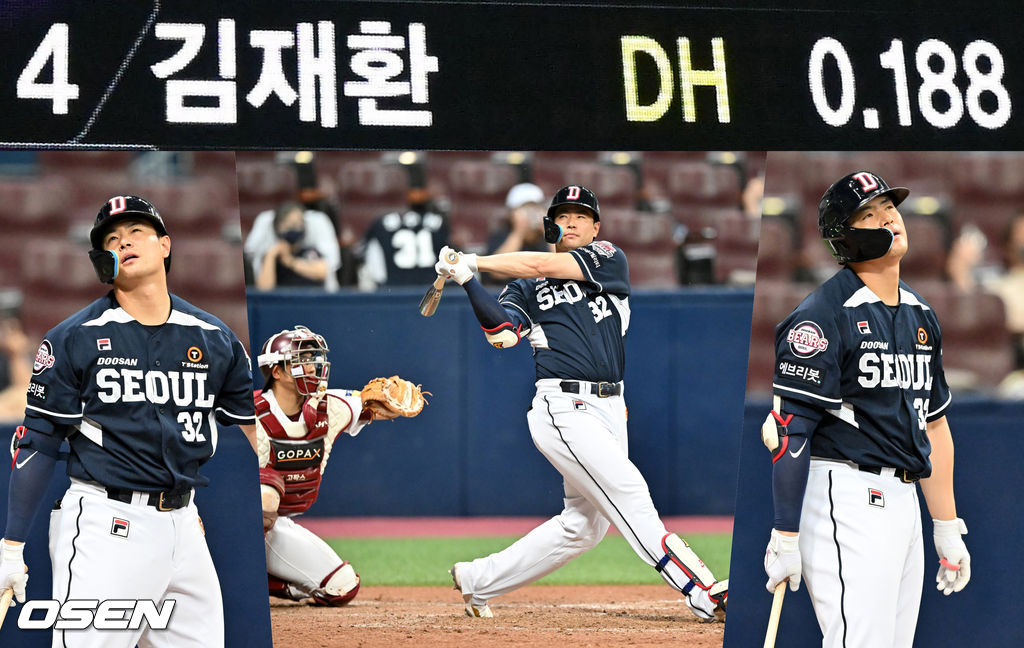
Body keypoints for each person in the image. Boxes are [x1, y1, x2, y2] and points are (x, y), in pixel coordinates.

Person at [434, 185, 727, 621]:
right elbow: (502, 335)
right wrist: (467, 281)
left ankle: (479, 580)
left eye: (580, 216)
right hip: (563, 409)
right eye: (563, 215)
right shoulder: (525, 289)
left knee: (584, 527)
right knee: (629, 492)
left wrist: (472, 259)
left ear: (595, 227)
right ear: (550, 224)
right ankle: (703, 591)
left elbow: (540, 261)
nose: (571, 222)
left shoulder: (608, 258)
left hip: (611, 408)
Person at [0, 196, 258, 647]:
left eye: (136, 232)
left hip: (185, 523)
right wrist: (10, 546)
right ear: (104, 261)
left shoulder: (217, 338)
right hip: (107, 522)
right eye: (112, 240)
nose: (124, 242)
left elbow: (256, 429)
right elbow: (37, 443)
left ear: (164, 245)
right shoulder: (72, 338)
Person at [761, 172, 971, 648]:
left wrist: (946, 526)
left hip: (903, 499)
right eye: (869, 214)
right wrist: (786, 534)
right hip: (846, 495)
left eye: (889, 207)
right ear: (846, 238)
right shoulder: (821, 314)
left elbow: (933, 425)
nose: (889, 217)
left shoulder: (921, 313)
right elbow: (790, 431)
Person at [253, 326, 425, 606]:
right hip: (241, 524)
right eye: (301, 359)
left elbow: (373, 405)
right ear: (277, 372)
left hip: (277, 525)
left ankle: (262, 581)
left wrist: (396, 403)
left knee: (342, 587)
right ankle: (234, 572)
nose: (311, 366)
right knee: (266, 493)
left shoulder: (329, 406)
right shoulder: (248, 413)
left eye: (313, 358)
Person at [245, 201, 341, 291]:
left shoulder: (310, 251)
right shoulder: (272, 256)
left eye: (298, 224)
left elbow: (323, 272)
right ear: (277, 227)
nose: (293, 228)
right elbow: (264, 289)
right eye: (287, 224)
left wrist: (290, 261)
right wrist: (271, 255)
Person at [482, 182, 550, 284]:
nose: (531, 214)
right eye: (525, 208)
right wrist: (519, 233)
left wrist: (549, 230)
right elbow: (497, 273)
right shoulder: (501, 235)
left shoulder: (547, 238)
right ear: (511, 213)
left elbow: (564, 266)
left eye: (535, 208)